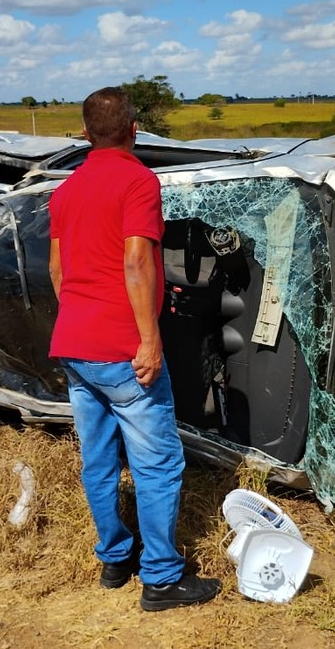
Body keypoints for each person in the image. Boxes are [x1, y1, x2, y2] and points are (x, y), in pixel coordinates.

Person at [48, 87, 220, 611]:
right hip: (122, 350)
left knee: (97, 459)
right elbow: (138, 263)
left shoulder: (65, 191)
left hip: (75, 346)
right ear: (134, 129)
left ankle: (114, 559)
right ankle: (163, 578)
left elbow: (57, 270)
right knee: (158, 465)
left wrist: (80, 317)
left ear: (84, 133)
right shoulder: (138, 180)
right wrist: (148, 339)